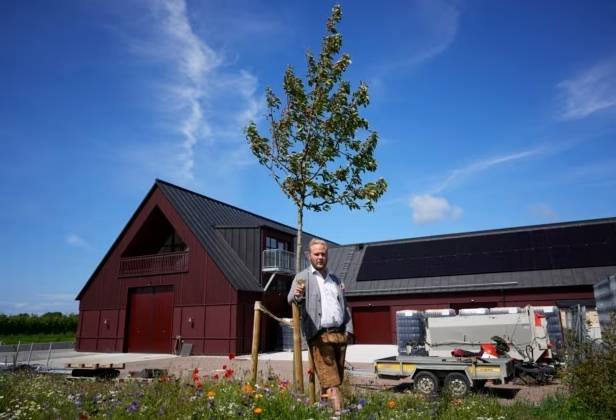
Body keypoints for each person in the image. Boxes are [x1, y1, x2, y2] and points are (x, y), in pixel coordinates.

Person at [287, 238, 353, 414]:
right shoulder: (302, 277)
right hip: (319, 335)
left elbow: (345, 305)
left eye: (323, 254)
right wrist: (298, 295)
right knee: (332, 382)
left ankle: (324, 413)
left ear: (327, 256)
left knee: (333, 379)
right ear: (309, 255)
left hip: (340, 334)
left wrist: (349, 330)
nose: (320, 257)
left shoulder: (335, 279)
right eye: (317, 254)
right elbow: (292, 299)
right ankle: (338, 414)